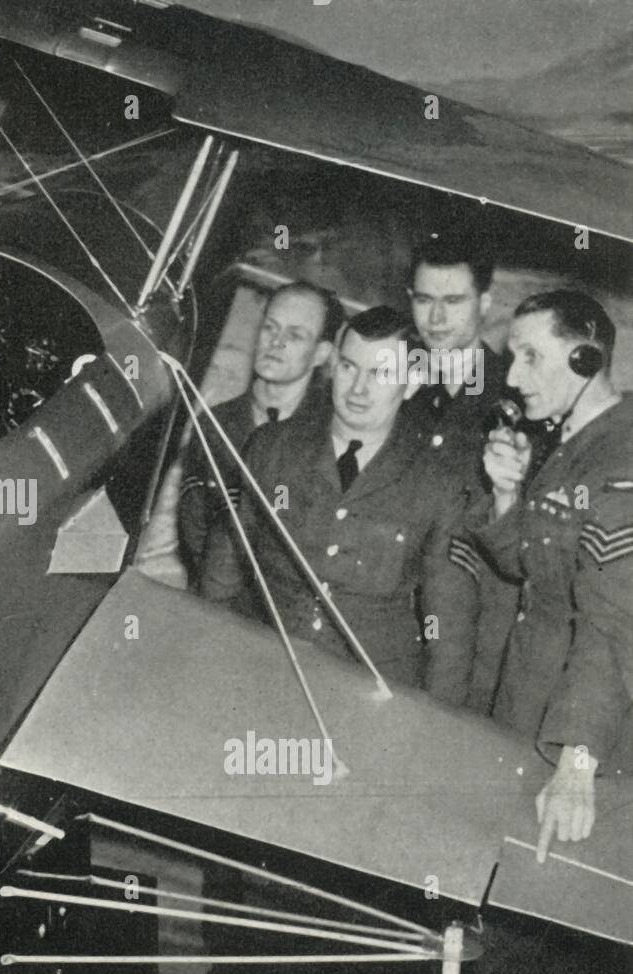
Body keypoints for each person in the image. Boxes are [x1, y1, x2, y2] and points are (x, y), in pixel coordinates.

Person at [201, 306, 477, 704]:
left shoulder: (439, 484)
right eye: (349, 367)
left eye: (381, 374)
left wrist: (430, 724)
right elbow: (222, 572)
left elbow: (446, 628)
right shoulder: (273, 446)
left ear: (414, 380)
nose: (358, 389)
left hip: (367, 687)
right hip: (261, 666)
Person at [471, 290, 631, 852]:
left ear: (585, 359)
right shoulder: (568, 440)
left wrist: (577, 763)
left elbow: (613, 624)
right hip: (527, 702)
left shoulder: (622, 458)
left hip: (581, 730)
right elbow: (533, 568)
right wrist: (508, 492)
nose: (514, 376)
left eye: (531, 356)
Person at [402, 232, 521, 713]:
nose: (434, 319)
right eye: (424, 300)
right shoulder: (385, 377)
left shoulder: (515, 399)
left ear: (485, 303)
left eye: (453, 301)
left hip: (463, 638)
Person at [177, 282, 342, 590]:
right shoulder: (216, 425)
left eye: (294, 335)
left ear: (321, 353)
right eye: (270, 328)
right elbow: (194, 528)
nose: (275, 342)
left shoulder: (331, 435)